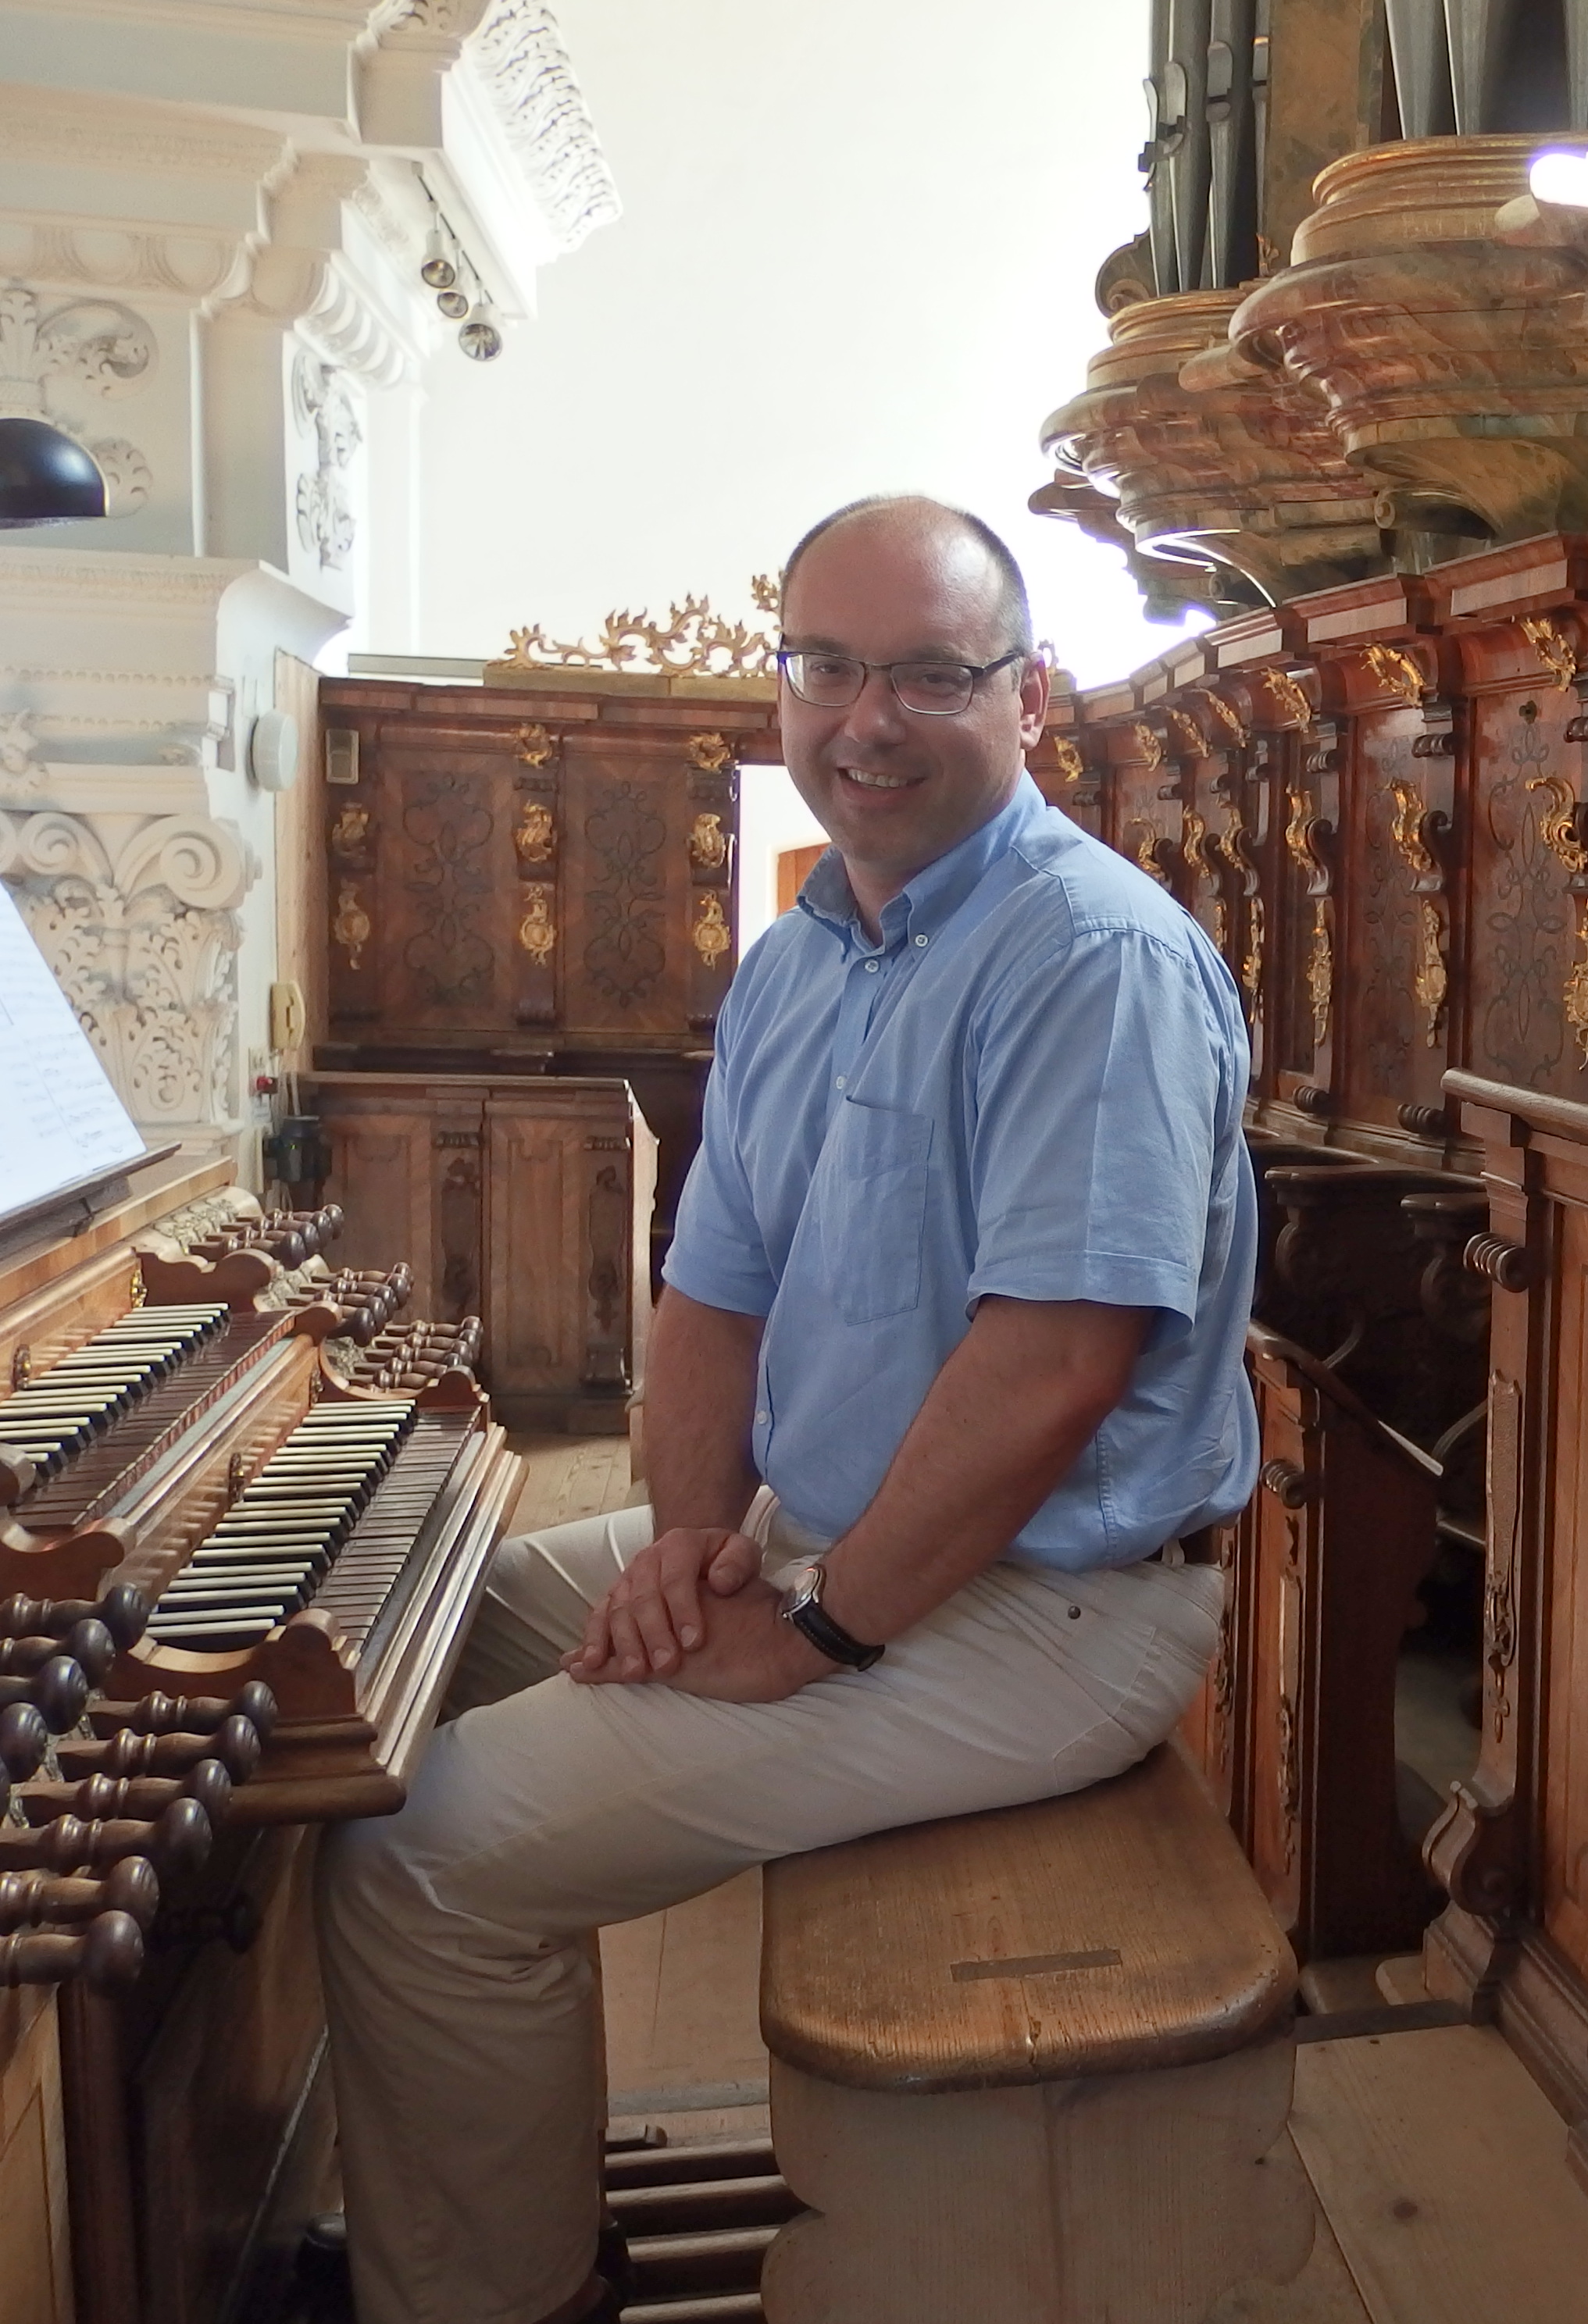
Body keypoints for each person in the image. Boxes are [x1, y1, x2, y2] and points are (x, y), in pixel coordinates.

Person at [317, 495, 1258, 2324]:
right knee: (396, 1640)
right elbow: (712, 1293)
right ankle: (491, 2166)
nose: (866, 719)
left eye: (928, 673)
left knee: (420, 1861)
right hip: (829, 1537)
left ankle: (494, 2299)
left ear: (1028, 696)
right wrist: (688, 1542)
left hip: (1050, 1609)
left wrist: (817, 1628)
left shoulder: (1093, 958)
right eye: (825, 669)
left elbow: (1055, 1366)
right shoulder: (810, 951)